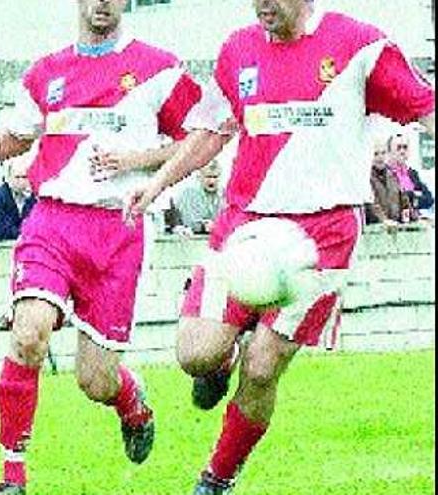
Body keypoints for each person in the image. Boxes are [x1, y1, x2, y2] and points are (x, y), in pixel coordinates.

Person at [123, 1, 435, 493]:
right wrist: (158, 183)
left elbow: (425, 107)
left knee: (264, 365)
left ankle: (216, 478)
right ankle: (220, 357)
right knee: (195, 356)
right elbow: (211, 130)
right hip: (243, 226)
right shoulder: (237, 50)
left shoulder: (362, 46)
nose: (262, 5)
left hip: (323, 237)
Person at [0, 0, 203, 492]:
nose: (102, 3)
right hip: (51, 221)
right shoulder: (46, 72)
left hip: (119, 231)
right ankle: (12, 476)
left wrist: (136, 158)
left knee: (95, 381)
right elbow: (13, 138)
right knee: (29, 332)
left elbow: (202, 139)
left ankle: (131, 402)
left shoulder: (160, 69)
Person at [166, 160, 223, 237]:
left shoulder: (224, 194)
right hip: (188, 238)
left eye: (215, 177)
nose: (212, 181)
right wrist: (205, 226)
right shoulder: (190, 193)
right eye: (208, 176)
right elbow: (190, 223)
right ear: (199, 177)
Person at [364, 137, 410, 229]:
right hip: (375, 229)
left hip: (394, 227)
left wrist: (416, 217)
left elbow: (404, 201)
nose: (380, 157)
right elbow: (371, 204)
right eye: (376, 154)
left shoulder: (393, 175)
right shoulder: (365, 178)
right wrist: (384, 220)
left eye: (383, 153)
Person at [386, 132, 433, 219]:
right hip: (395, 221)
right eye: (398, 148)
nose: (402, 151)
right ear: (389, 152)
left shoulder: (412, 173)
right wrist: (415, 196)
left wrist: (411, 198)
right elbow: (394, 200)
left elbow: (429, 200)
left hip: (414, 218)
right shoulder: (385, 173)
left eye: (405, 147)